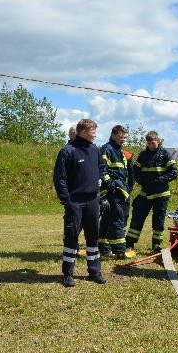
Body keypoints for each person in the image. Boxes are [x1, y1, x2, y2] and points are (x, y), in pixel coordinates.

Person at [53, 118, 108, 287]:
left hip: (93, 200)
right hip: (75, 202)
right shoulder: (67, 151)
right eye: (93, 132)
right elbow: (59, 178)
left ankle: (94, 271)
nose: (95, 135)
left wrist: (100, 178)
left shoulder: (94, 149)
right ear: (83, 132)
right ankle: (68, 273)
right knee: (71, 237)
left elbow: (102, 167)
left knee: (93, 237)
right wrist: (66, 199)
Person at [125, 131, 178, 253]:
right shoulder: (143, 155)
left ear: (158, 141)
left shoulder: (165, 155)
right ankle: (130, 243)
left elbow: (174, 173)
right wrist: (141, 181)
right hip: (146, 192)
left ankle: (156, 245)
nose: (150, 145)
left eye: (152, 143)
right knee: (137, 217)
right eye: (148, 143)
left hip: (161, 194)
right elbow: (135, 171)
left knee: (158, 220)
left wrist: (159, 180)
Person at [98, 125, 134, 259]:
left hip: (118, 190)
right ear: (113, 135)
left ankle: (104, 249)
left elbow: (126, 173)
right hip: (112, 191)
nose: (123, 139)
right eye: (121, 137)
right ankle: (120, 251)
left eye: (125, 137)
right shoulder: (107, 149)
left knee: (107, 220)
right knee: (117, 220)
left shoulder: (119, 151)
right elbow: (102, 169)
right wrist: (110, 184)